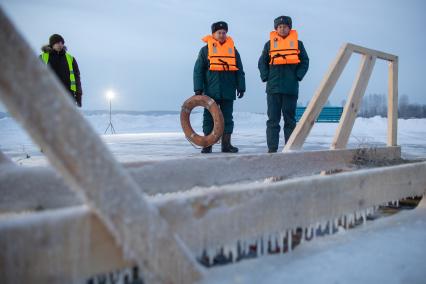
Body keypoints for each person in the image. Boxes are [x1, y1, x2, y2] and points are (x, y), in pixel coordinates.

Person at [258, 16, 309, 153]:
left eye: (285, 26)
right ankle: (272, 148)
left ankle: (290, 148)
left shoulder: (298, 44)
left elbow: (305, 61)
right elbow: (262, 62)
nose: (282, 29)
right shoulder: (269, 44)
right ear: (276, 29)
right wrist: (265, 76)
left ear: (289, 28)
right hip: (273, 88)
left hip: (290, 88)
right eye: (279, 27)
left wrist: (298, 76)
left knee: (290, 120)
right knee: (273, 120)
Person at [193, 21, 246, 153]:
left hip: (228, 90)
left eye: (224, 33)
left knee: (227, 117)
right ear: (213, 34)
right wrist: (198, 88)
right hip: (210, 91)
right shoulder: (205, 51)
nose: (222, 35)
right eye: (219, 33)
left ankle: (226, 144)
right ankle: (207, 144)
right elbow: (198, 70)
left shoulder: (233, 50)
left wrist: (241, 86)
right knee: (209, 118)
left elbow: (239, 70)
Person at [40, 34, 83, 107]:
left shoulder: (70, 59)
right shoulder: (42, 58)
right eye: (57, 43)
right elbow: (36, 76)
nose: (60, 45)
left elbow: (77, 77)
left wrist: (79, 94)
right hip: (48, 95)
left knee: (68, 118)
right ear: (52, 44)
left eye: (62, 43)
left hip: (68, 95)